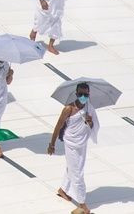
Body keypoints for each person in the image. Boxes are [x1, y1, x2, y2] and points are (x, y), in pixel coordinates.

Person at [48, 81, 99, 214]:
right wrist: (51, 144)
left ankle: (63, 189)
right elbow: (58, 126)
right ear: (76, 94)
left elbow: (93, 126)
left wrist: (90, 121)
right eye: (81, 94)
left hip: (82, 143)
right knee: (77, 173)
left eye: (85, 94)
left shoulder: (89, 107)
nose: (83, 97)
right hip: (71, 143)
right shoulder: (68, 109)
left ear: (89, 94)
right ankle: (82, 204)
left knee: (73, 167)